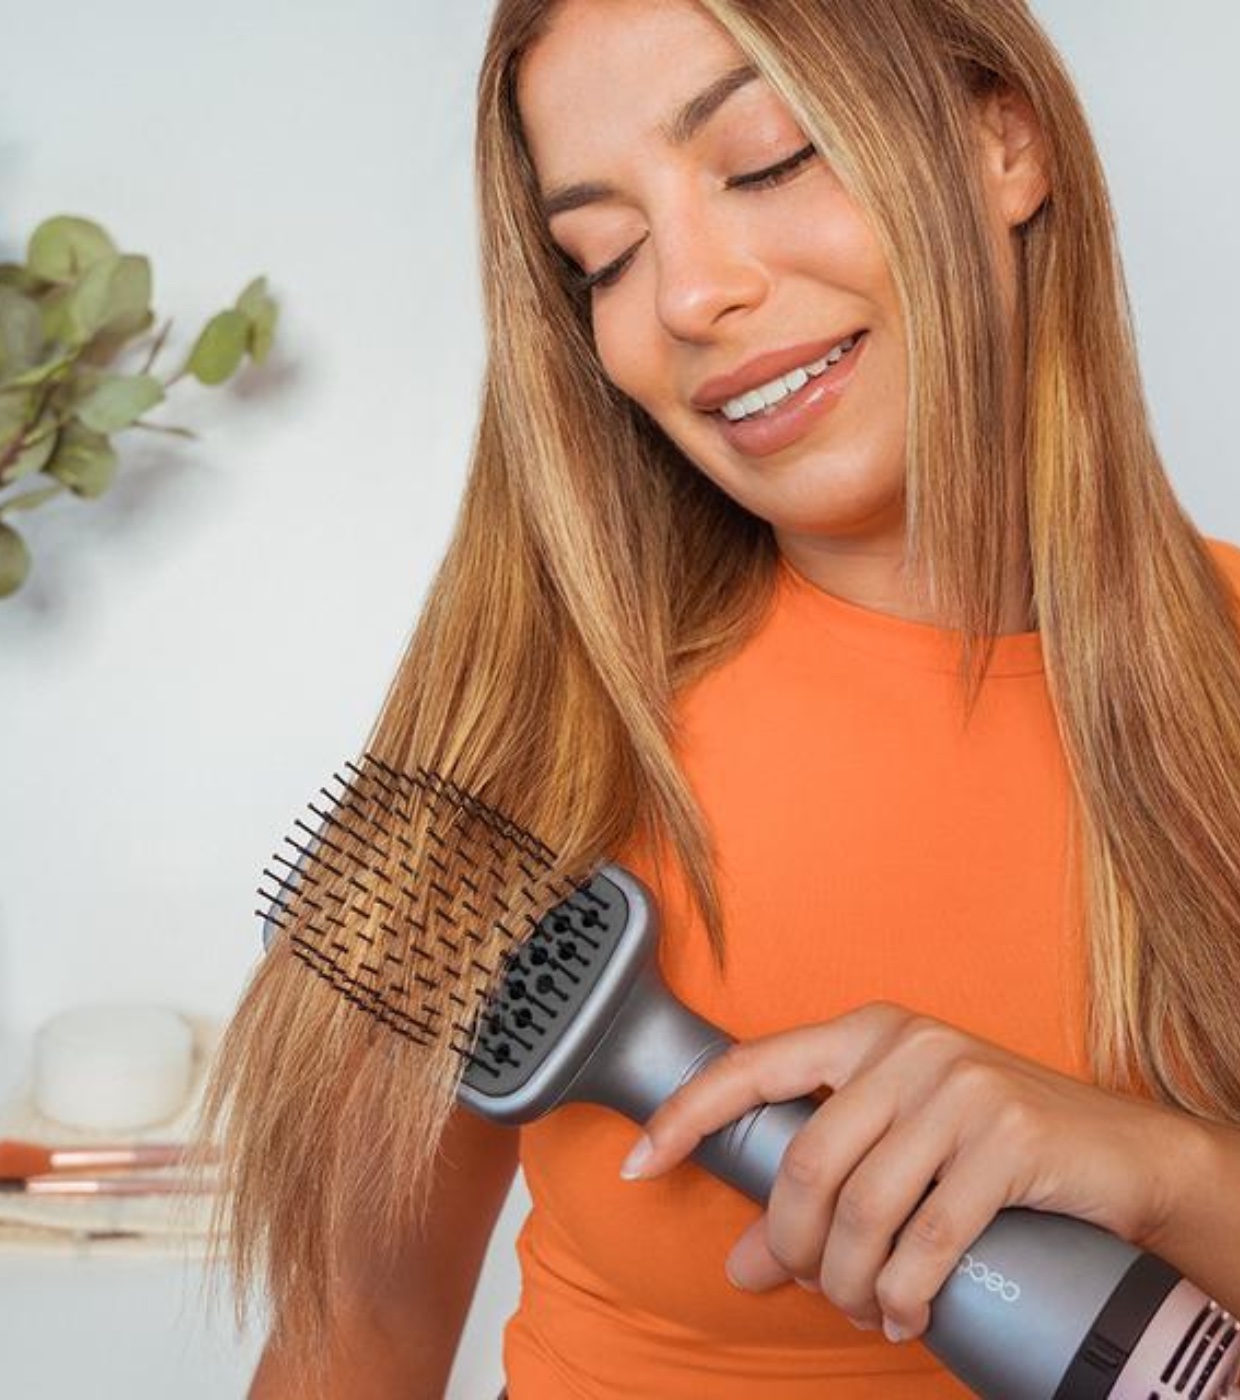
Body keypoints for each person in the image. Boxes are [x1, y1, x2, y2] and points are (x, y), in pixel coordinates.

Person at [203, 2, 1240, 1398]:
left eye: (766, 160)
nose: (689, 296)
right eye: (607, 254)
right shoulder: (523, 751)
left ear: (1004, 141)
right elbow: (355, 1347)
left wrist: (1170, 1179)